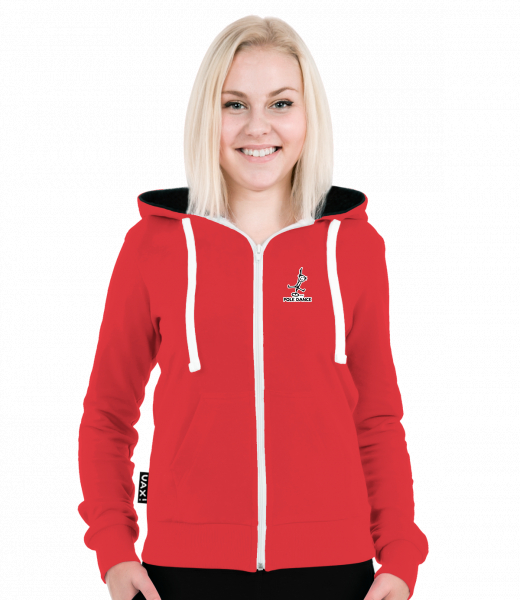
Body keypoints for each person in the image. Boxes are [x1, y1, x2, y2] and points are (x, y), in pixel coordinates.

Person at [77, 15, 428, 600]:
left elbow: (377, 417)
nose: (258, 126)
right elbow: (109, 414)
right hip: (183, 571)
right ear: (207, 116)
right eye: (234, 104)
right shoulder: (153, 246)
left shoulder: (355, 247)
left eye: (281, 103)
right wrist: (115, 547)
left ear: (308, 117)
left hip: (334, 569)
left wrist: (399, 554)